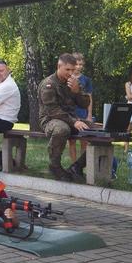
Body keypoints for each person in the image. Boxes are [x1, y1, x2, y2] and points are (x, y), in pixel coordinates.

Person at [38, 53, 91, 182]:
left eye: (73, 70)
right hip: (50, 120)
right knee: (62, 129)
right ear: (59, 66)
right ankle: (55, 165)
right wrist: (74, 122)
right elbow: (52, 110)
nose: (71, 73)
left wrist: (77, 91)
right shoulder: (48, 84)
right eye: (67, 69)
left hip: (71, 119)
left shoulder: (74, 82)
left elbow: (85, 104)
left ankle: (77, 166)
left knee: (98, 131)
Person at [67, 53, 93, 162]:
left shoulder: (86, 80)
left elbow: (89, 98)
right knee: (72, 141)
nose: (78, 67)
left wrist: (89, 115)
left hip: (83, 114)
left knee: (84, 141)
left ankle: (81, 166)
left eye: (81, 64)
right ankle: (73, 165)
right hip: (71, 115)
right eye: (76, 64)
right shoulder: (66, 78)